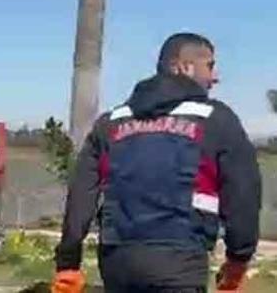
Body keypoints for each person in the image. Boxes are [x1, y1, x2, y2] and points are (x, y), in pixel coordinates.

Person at [50, 33, 262, 293]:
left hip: (117, 263)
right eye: (210, 66)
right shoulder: (216, 120)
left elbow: (81, 196)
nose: (215, 77)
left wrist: (68, 263)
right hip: (180, 262)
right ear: (184, 67)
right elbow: (242, 192)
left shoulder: (110, 123)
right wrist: (238, 259)